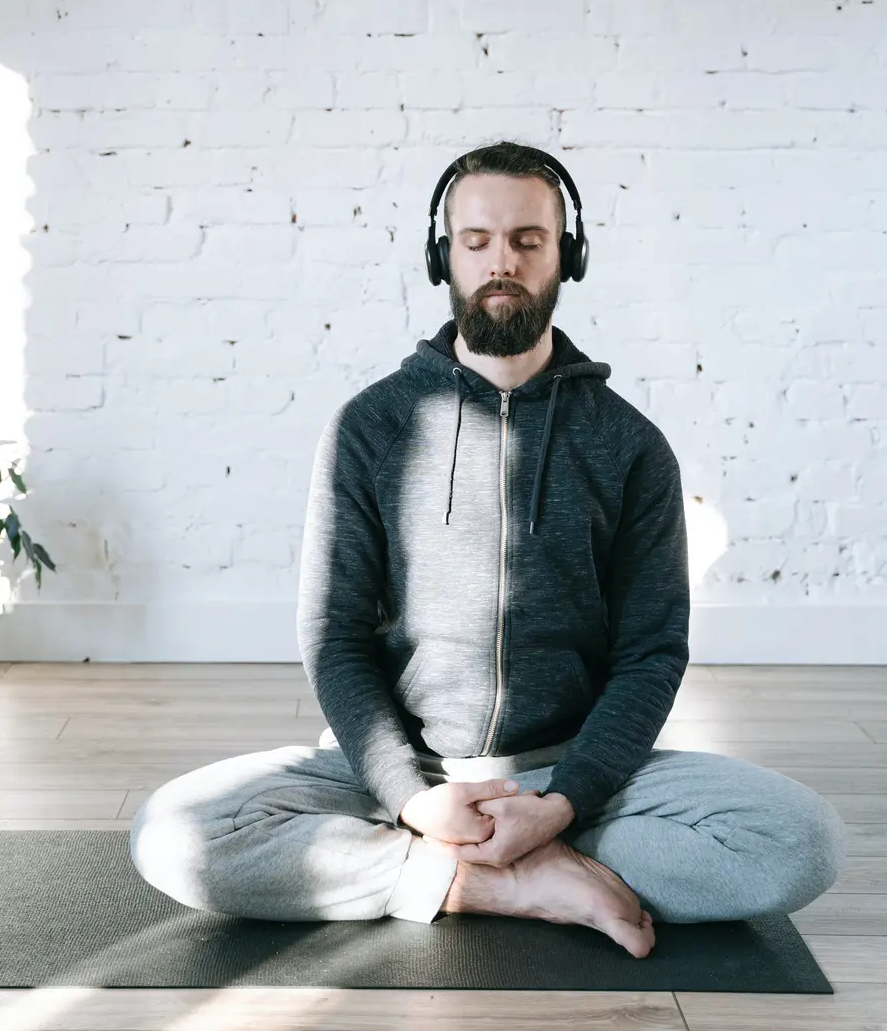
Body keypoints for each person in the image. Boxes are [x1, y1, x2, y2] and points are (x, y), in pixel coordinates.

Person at [130, 142, 849, 960]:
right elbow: (333, 635)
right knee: (171, 834)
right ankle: (500, 879)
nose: (500, 261)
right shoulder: (370, 427)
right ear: (444, 256)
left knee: (803, 842)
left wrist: (564, 802)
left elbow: (651, 652)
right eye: (476, 241)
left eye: (527, 240)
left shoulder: (630, 445)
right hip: (401, 777)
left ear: (565, 256)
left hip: (576, 775)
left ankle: (478, 863)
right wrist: (410, 797)